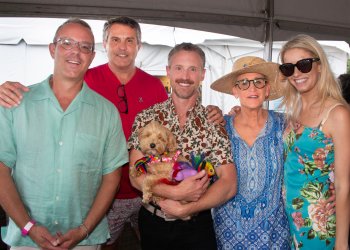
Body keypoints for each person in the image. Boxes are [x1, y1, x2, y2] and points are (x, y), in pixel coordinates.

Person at [0, 16, 224, 249]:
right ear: (104, 44)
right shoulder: (83, 76)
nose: (122, 47)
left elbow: (175, 119)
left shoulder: (153, 86)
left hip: (147, 195)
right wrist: (5, 91)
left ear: (139, 46)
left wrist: (213, 111)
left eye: (130, 40)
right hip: (101, 197)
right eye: (115, 39)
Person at [0, 18, 128, 249]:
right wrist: (28, 226)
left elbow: (112, 178)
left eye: (85, 47)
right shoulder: (16, 104)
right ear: (53, 49)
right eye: (67, 42)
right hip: (26, 240)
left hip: (84, 241)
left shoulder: (107, 112)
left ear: (92, 56)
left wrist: (83, 230)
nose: (75, 52)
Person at [128, 42, 237, 250]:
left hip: (197, 227)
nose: (185, 76)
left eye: (192, 69)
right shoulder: (146, 118)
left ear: (203, 74)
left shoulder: (213, 122)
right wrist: (175, 194)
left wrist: (189, 207)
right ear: (168, 71)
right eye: (178, 68)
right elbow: (135, 174)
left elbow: (229, 183)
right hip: (153, 223)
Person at [210, 56, 291, 249]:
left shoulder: (286, 125)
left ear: (267, 89)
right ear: (235, 90)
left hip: (275, 234)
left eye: (259, 82)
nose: (252, 89)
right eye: (244, 83)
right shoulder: (219, 128)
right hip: (228, 233)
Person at [280, 34, 350, 249]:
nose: (297, 73)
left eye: (304, 64)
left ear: (319, 65)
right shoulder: (294, 108)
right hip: (292, 221)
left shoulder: (337, 113)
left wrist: (341, 244)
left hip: (318, 225)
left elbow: (343, 185)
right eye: (288, 68)